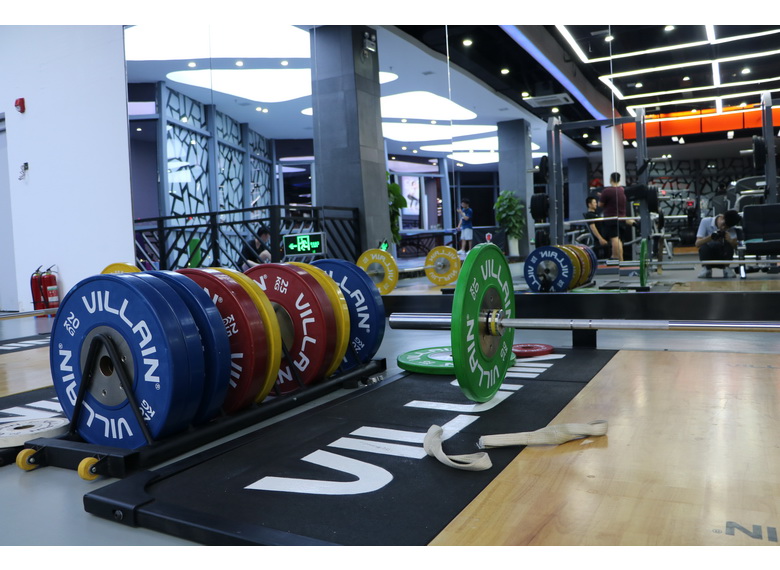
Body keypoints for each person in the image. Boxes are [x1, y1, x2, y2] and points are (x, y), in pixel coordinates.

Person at [695, 209, 740, 278]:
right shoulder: (705, 221)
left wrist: (730, 241)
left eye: (726, 227)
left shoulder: (731, 228)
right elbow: (697, 244)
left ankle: (726, 268)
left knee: (729, 245)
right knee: (703, 246)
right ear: (722, 217)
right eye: (723, 224)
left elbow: (737, 248)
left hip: (723, 254)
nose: (723, 228)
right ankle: (706, 268)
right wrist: (710, 238)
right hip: (708, 253)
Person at [598, 172, 633, 262]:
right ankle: (619, 258)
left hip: (611, 219)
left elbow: (600, 205)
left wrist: (602, 197)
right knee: (618, 239)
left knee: (614, 239)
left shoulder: (607, 191)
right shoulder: (622, 190)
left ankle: (617, 258)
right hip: (621, 218)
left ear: (611, 179)